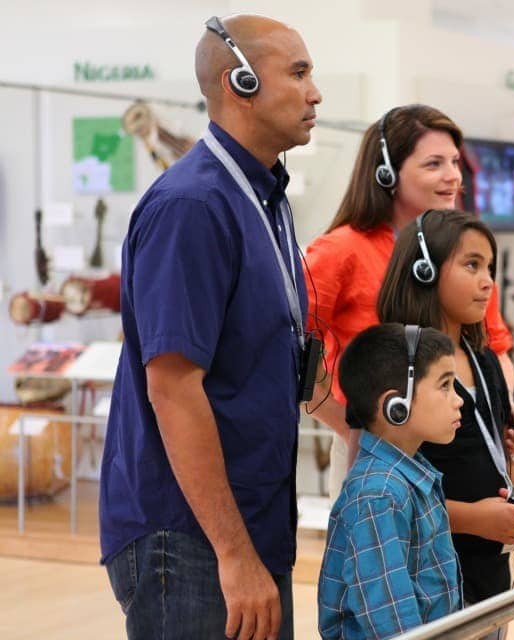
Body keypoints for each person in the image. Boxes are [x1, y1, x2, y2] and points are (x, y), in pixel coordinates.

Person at [99, 14, 346, 640]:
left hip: (247, 525)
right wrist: (234, 555)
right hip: (192, 540)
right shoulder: (193, 205)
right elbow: (174, 388)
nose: (315, 92)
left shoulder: (264, 199)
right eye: (298, 72)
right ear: (239, 81)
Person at [303, 104, 514, 495]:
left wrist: (502, 410)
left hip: (465, 447)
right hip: (377, 453)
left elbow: (494, 349)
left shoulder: (467, 251)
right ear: (387, 173)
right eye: (433, 164)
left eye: (455, 162)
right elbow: (295, 355)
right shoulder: (340, 251)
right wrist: (349, 425)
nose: (452, 177)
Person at [378, 209, 514, 612]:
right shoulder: (398, 369)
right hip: (426, 571)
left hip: (490, 567)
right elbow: (389, 491)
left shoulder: (485, 360)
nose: (488, 281)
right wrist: (472, 518)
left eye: (490, 267)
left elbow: (499, 449)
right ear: (425, 271)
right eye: (472, 265)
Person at [318, 323, 463, 639]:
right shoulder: (379, 495)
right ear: (395, 406)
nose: (458, 400)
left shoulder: (409, 476)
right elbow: (393, 623)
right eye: (445, 385)